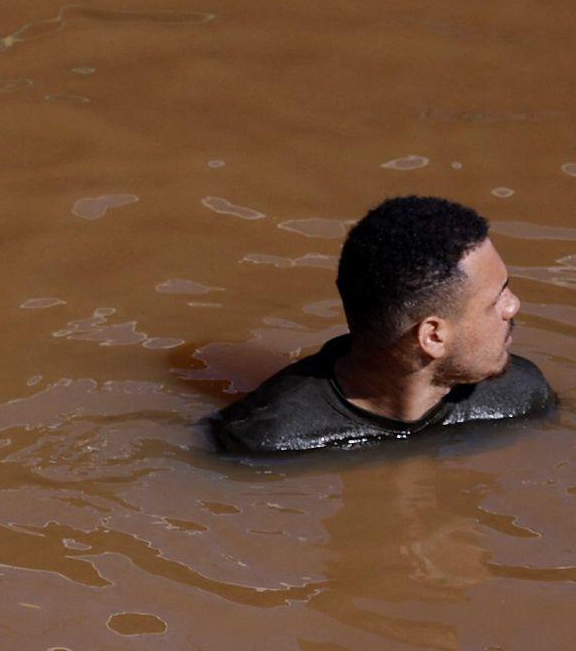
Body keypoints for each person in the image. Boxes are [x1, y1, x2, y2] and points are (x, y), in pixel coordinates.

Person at [208, 194, 556, 457]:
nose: (514, 306)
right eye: (497, 299)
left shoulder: (520, 396)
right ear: (433, 336)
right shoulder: (269, 439)